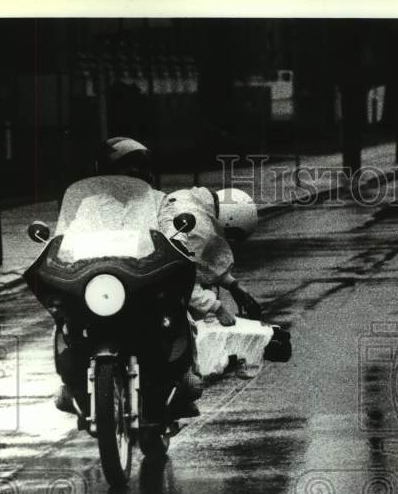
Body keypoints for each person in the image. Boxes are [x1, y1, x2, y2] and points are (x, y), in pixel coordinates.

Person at [54, 137, 264, 419]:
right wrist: (60, 250)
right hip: (100, 277)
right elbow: (69, 237)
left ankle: (184, 379)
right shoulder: (89, 205)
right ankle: (70, 382)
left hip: (140, 277)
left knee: (174, 314)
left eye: (139, 168)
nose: (134, 174)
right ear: (106, 173)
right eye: (126, 169)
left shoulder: (158, 202)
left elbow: (172, 238)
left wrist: (176, 245)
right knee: (66, 316)